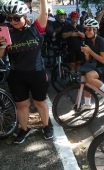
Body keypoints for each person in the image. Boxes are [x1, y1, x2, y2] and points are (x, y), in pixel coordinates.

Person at [0, 0, 52, 144]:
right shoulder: (6, 33)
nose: (13, 21)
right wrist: (1, 44)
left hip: (37, 73)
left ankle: (46, 126)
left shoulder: (35, 29)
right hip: (17, 75)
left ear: (25, 15)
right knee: (22, 105)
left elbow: (44, 13)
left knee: (40, 103)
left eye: (16, 18)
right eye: (9, 18)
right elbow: (0, 55)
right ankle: (24, 129)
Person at [81, 19, 104, 103]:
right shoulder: (90, 41)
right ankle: (87, 105)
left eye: (89, 29)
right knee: (85, 81)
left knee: (89, 76)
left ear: (95, 30)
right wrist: (87, 54)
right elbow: (88, 60)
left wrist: (90, 51)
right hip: (99, 67)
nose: (86, 32)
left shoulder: (101, 41)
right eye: (85, 29)